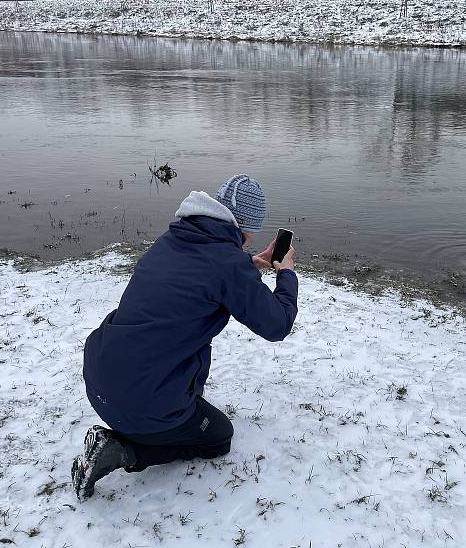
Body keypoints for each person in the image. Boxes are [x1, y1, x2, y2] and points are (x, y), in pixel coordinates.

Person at [71, 174, 298, 500]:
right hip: (143, 401)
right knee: (219, 437)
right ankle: (122, 452)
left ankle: (150, 423)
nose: (249, 239)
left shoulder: (171, 240)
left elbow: (200, 275)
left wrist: (247, 265)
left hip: (101, 382)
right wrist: (286, 273)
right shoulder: (227, 263)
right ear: (244, 224)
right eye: (251, 231)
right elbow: (277, 325)